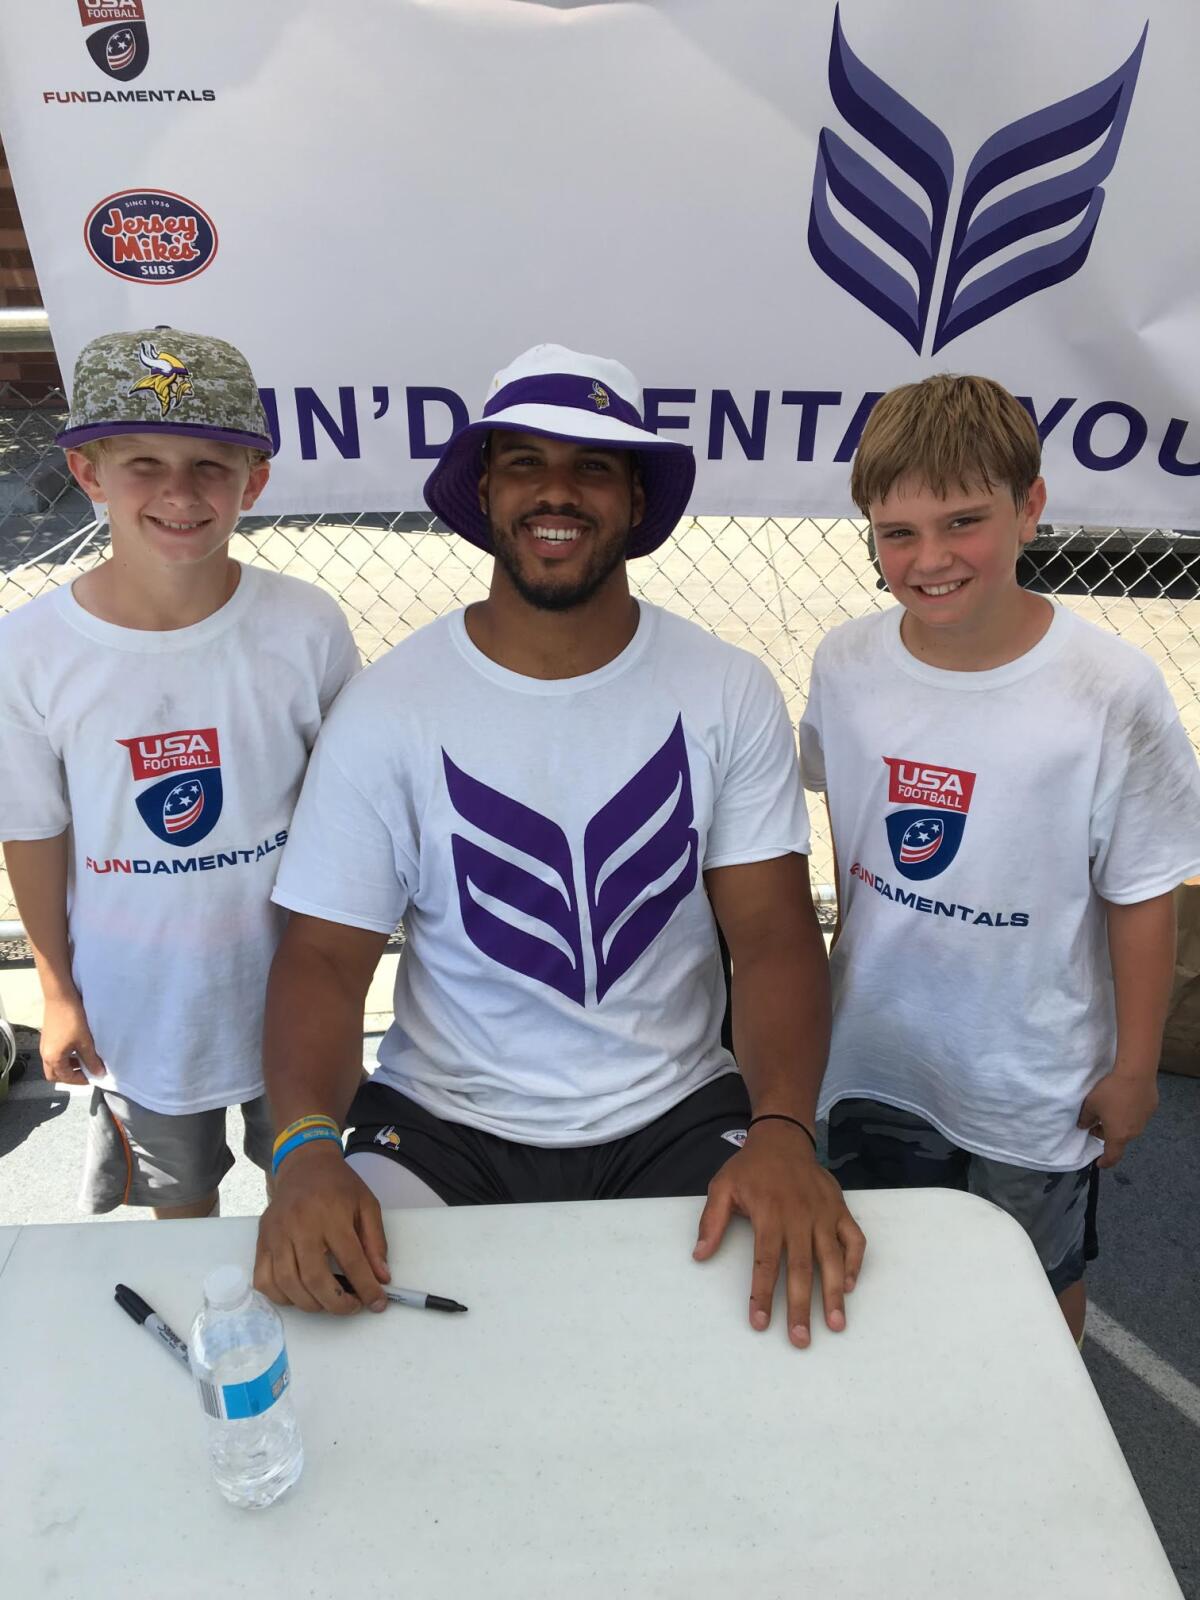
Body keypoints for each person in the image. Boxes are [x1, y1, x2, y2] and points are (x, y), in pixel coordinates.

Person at [255, 343, 865, 1347]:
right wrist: (307, 1150)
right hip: (441, 1123)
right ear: (486, 488)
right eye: (526, 461)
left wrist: (785, 1129)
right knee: (335, 1340)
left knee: (778, 1331)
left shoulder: (723, 687)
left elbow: (771, 939)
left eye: (592, 466)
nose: (557, 492)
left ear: (632, 497)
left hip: (672, 1110)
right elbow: (322, 957)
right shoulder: (391, 708)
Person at [798, 374, 1200, 1341]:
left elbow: (1145, 894)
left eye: (963, 522)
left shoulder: (1109, 690)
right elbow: (848, 832)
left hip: (1032, 1072)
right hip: (878, 1053)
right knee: (884, 1259)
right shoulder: (846, 666)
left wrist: (1134, 1066)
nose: (930, 559)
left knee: (1036, 1280)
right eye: (898, 534)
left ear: (1030, 508)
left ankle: (1048, 1453)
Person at [0, 327, 359, 1218]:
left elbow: (352, 813)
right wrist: (56, 990)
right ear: (89, 473)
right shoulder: (31, 651)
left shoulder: (304, 627)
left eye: (210, 465)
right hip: (139, 1004)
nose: (178, 493)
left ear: (256, 481)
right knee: (177, 1214)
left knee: (307, 1197)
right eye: (144, 463)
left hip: (290, 992)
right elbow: (32, 827)